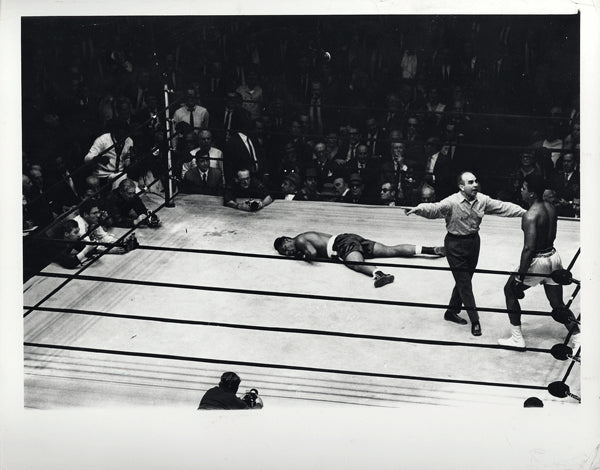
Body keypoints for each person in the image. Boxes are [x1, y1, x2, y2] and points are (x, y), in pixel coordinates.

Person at [406, 171, 526, 336]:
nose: (475, 184)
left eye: (476, 181)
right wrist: (418, 209)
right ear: (461, 186)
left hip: (473, 243)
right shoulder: (452, 202)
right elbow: (434, 209)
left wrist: (525, 212)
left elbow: (502, 207)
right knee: (465, 284)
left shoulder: (482, 200)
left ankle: (451, 311)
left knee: (464, 280)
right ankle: (475, 319)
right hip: (454, 245)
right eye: (470, 182)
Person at [498, 174, 580, 350]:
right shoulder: (551, 207)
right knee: (557, 304)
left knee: (509, 291)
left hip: (538, 262)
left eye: (524, 188)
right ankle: (578, 336)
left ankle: (517, 338)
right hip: (553, 256)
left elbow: (529, 249)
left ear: (532, 193)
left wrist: (520, 277)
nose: (521, 190)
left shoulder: (530, 215)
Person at [274, 231, 445, 288]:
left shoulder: (299, 240)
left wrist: (301, 256)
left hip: (340, 245)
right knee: (389, 250)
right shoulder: (303, 237)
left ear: (288, 240)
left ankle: (379, 274)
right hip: (348, 237)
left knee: (355, 264)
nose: (287, 252)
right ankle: (430, 250)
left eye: (285, 249)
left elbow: (311, 254)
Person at [198, 372, 263, 410]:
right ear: (233, 386)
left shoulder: (211, 391)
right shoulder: (231, 398)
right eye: (237, 385)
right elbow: (251, 412)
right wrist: (258, 404)